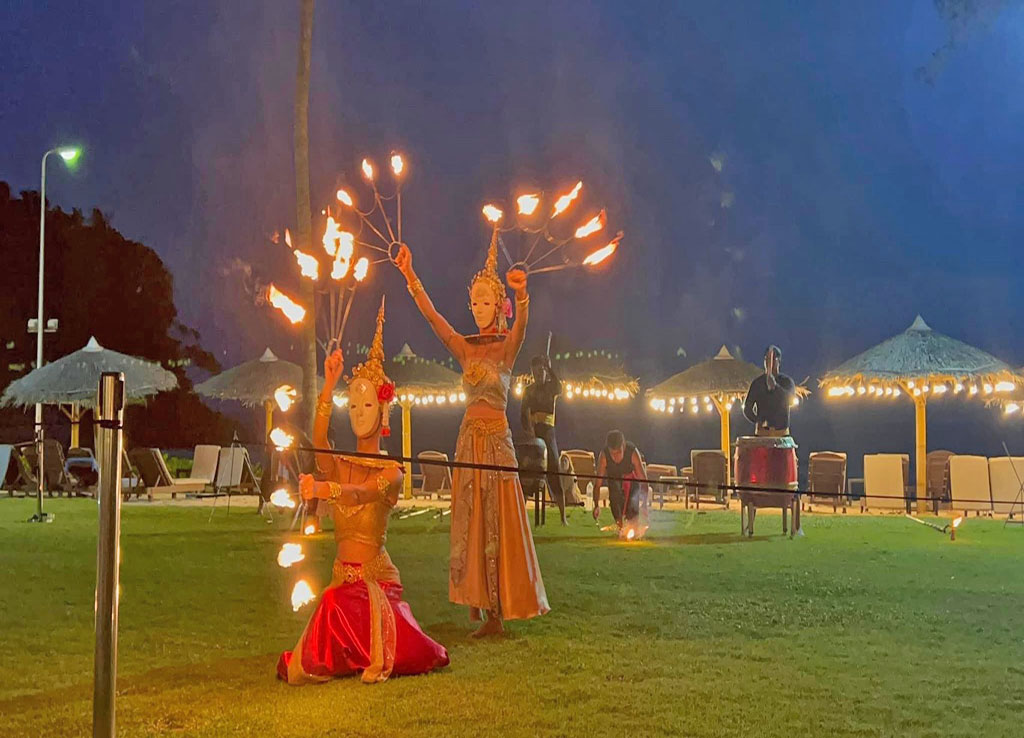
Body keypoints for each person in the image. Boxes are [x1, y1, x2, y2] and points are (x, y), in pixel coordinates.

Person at [277, 299, 450, 684]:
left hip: (375, 584)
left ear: (383, 410)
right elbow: (319, 441)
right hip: (343, 580)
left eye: (367, 403)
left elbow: (359, 494)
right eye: (353, 403)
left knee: (342, 611)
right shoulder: (339, 461)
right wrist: (328, 386)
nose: (358, 411)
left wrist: (324, 488)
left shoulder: (392, 472)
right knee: (330, 609)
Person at [395, 234, 549, 638]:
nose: (479, 309)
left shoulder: (506, 349)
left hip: (498, 442)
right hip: (469, 442)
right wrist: (410, 275)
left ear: (498, 305)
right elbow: (434, 319)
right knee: (474, 521)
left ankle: (501, 609)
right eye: (474, 302)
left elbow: (521, 328)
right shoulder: (465, 348)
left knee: (501, 520)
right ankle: (481, 603)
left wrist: (523, 294)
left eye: (486, 302)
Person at [520, 354, 567, 525]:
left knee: (554, 470)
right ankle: (522, 514)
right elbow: (523, 414)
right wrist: (529, 430)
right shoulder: (529, 390)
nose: (538, 375)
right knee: (527, 472)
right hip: (533, 434)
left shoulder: (551, 387)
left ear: (545, 371)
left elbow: (560, 387)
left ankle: (563, 517)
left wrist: (550, 368)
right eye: (535, 373)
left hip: (548, 432)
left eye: (541, 372)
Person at [592, 430, 646, 530]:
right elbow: (597, 484)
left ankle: (633, 527)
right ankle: (620, 527)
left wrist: (645, 504)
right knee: (615, 501)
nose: (615, 457)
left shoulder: (632, 452)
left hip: (631, 481)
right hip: (614, 481)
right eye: (612, 453)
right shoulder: (604, 456)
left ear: (624, 447)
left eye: (618, 452)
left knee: (632, 509)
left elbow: (643, 479)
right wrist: (596, 505)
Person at [742, 345, 796, 436]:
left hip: (781, 434)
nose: (769, 363)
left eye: (772, 360)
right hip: (762, 433)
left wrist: (775, 387)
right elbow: (747, 408)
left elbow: (790, 400)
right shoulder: (757, 383)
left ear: (778, 361)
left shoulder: (786, 381)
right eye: (766, 359)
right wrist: (758, 420)